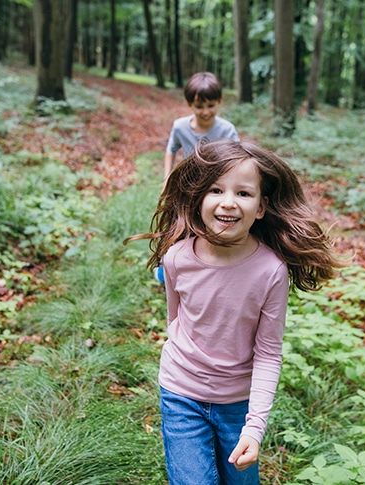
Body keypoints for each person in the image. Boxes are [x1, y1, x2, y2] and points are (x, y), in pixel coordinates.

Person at [126, 139, 342, 485]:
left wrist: (254, 428)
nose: (228, 202)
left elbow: (269, 353)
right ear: (198, 199)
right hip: (181, 394)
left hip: (238, 406)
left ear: (261, 207)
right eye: (215, 189)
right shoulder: (177, 258)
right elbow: (176, 322)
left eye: (243, 193)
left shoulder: (270, 271)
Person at [164, 72, 239, 180]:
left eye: (211, 106)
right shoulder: (180, 127)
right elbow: (171, 150)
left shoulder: (227, 130)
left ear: (219, 101)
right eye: (199, 107)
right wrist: (167, 178)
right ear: (189, 104)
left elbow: (238, 159)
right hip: (189, 182)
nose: (206, 112)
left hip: (217, 183)